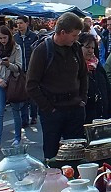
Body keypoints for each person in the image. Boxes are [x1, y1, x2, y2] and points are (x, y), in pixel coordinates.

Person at [26, 12, 87, 159]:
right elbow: (31, 84)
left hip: (75, 108)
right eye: (74, 35)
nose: (77, 38)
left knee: (77, 154)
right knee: (52, 155)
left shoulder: (76, 48)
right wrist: (48, 108)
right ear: (62, 33)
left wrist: (82, 98)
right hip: (53, 111)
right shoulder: (42, 51)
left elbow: (84, 75)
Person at [0, 25, 25, 152]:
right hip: (1, 84)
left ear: (9, 36)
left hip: (13, 82)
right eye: (0, 38)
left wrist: (9, 65)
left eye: (4, 37)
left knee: (15, 111)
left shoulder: (16, 48)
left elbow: (19, 67)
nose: (2, 40)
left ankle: (18, 138)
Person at [79, 32, 111, 122]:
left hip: (102, 116)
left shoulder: (97, 65)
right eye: (87, 47)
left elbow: (107, 89)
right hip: (84, 118)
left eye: (93, 48)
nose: (90, 51)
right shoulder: (75, 67)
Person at [13, 16, 38, 129]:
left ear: (27, 24)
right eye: (17, 23)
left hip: (32, 69)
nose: (19, 25)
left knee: (32, 94)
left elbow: (37, 52)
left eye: (21, 23)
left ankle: (33, 115)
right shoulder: (15, 38)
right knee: (22, 95)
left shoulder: (33, 36)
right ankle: (24, 119)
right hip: (20, 70)